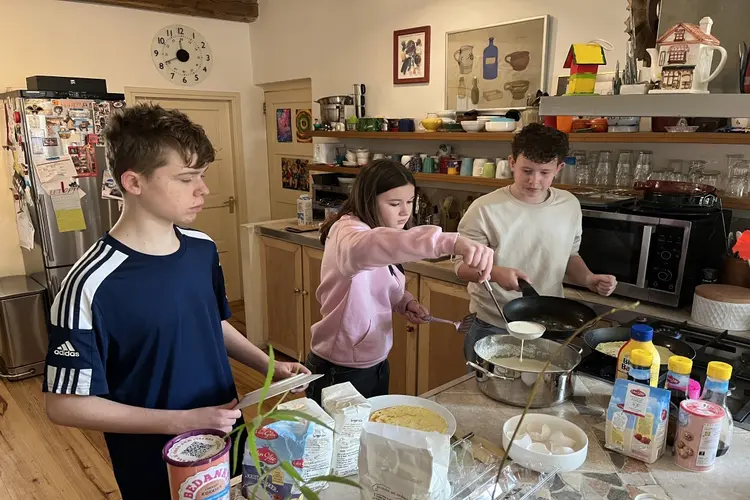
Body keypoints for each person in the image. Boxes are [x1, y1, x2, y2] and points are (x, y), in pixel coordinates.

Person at [42, 103, 309, 500]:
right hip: (154, 462)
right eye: (186, 178)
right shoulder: (89, 283)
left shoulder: (202, 249)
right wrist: (182, 420)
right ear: (134, 182)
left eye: (202, 175)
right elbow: (63, 405)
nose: (203, 190)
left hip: (225, 437)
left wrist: (268, 364)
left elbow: (212, 323)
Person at [305, 160, 494, 403]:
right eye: (394, 204)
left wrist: (404, 301)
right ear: (368, 200)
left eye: (409, 201)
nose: (405, 212)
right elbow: (372, 246)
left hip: (375, 360)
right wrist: (451, 242)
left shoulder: (377, 228)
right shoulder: (348, 233)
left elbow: (379, 279)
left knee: (370, 435)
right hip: (339, 367)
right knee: (340, 440)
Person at [455, 123, 617, 362]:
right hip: (494, 324)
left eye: (544, 173)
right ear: (512, 163)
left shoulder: (569, 205)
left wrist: (589, 279)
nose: (534, 181)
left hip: (550, 326)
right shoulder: (484, 209)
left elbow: (570, 254)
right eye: (527, 171)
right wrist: (496, 273)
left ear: (559, 168)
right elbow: (460, 266)